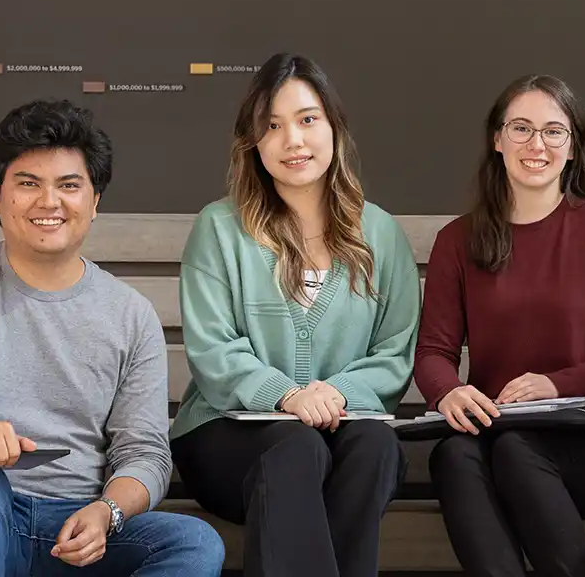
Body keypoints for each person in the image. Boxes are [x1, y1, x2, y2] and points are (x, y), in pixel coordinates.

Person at [0, 99, 224, 577]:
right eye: (28, 184)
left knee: (193, 542)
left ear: (95, 201)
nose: (49, 202)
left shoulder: (131, 315)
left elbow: (144, 454)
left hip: (69, 526)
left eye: (69, 186)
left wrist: (107, 512)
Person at [170, 53, 421, 577]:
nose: (293, 141)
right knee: (296, 447)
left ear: (334, 127)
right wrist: (288, 395)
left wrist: (334, 394)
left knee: (375, 445)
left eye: (308, 120)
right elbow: (215, 353)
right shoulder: (219, 229)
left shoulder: (380, 234)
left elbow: (394, 353)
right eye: (273, 126)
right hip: (227, 439)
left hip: (342, 433)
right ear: (253, 142)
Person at [415, 74, 585, 577]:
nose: (537, 145)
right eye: (521, 128)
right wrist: (447, 393)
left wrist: (554, 383)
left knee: (512, 451)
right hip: (496, 430)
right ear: (497, 139)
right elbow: (432, 354)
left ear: (572, 148)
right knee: (453, 458)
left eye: (554, 131)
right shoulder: (457, 241)